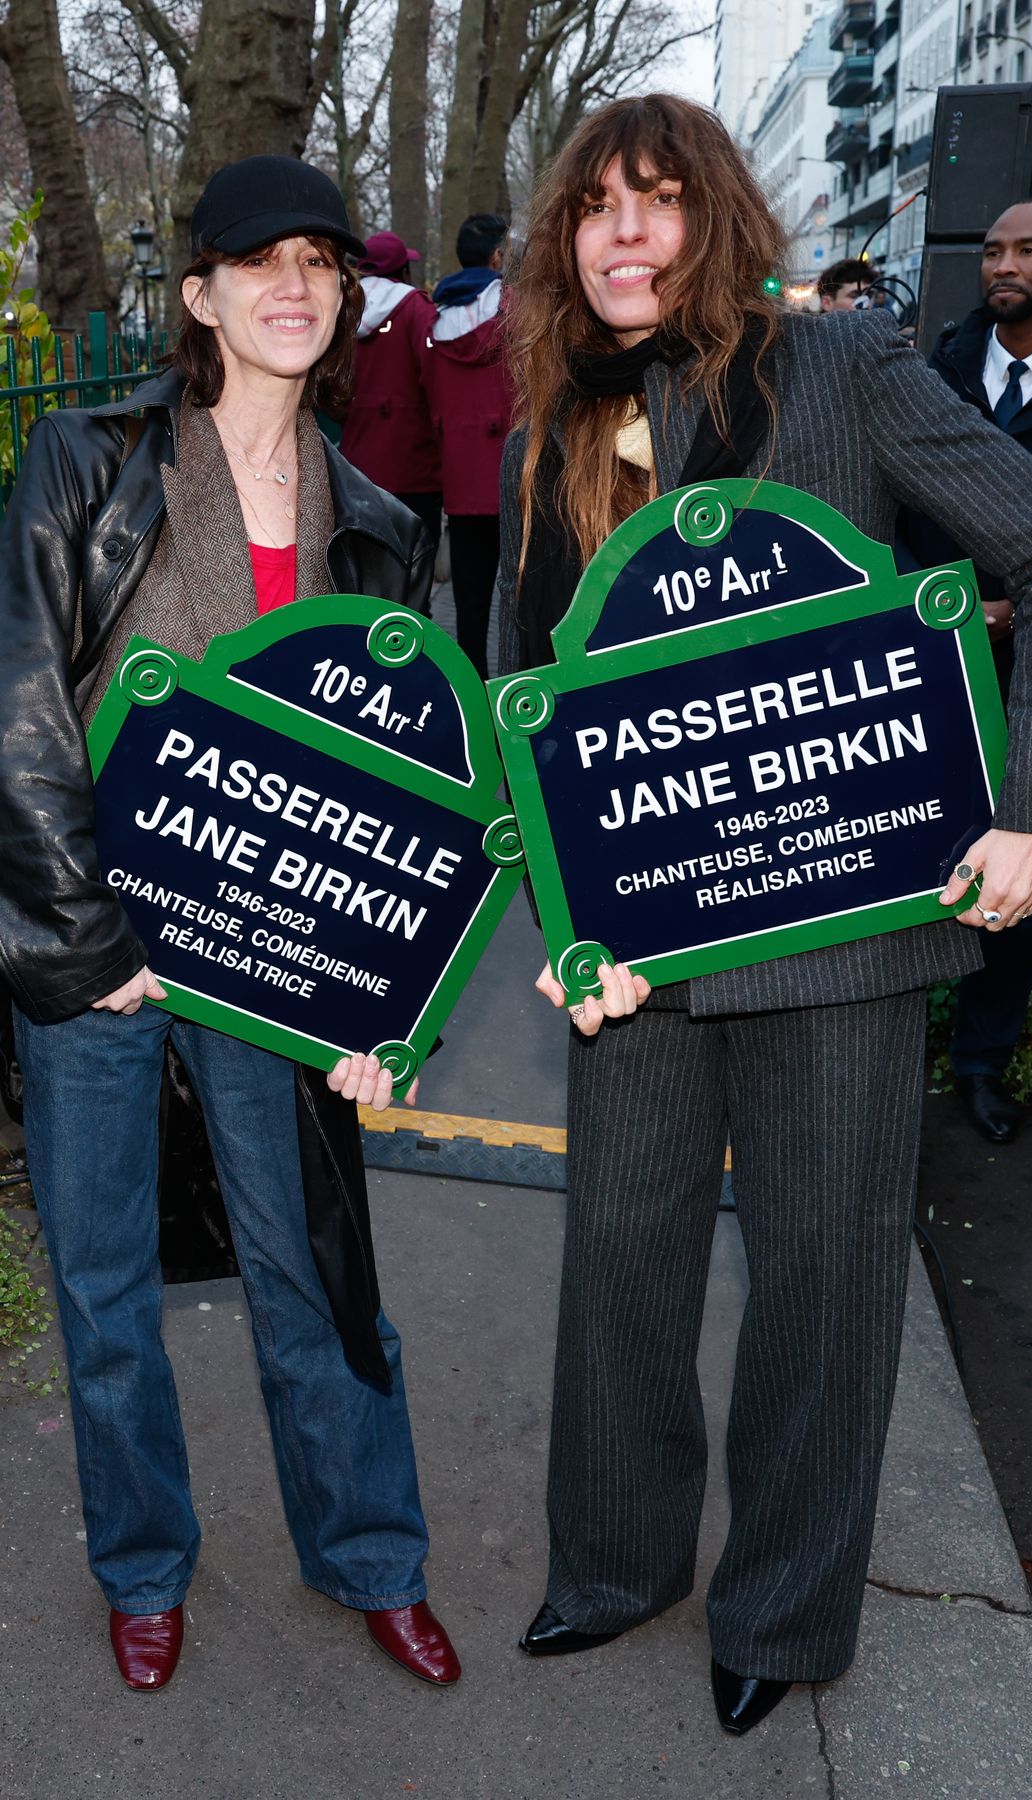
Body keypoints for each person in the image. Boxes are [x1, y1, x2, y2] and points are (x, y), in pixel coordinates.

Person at [498, 94, 1032, 1736]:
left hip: (844, 932)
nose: (625, 234)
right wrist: (559, 918)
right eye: (598, 205)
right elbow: (524, 694)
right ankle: (615, 1566)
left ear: (715, 219)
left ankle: (784, 1612)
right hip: (645, 948)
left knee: (824, 1287)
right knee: (616, 1259)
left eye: (659, 203)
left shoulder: (841, 368)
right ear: (566, 234)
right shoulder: (543, 421)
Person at [0, 155, 460, 1694]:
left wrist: (389, 1001)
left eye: (321, 262)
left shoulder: (382, 517)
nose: (294, 283)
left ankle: (372, 1555)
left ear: (344, 302)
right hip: (103, 960)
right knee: (107, 1283)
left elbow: (404, 791)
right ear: (196, 294)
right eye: (257, 260)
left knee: (313, 1267)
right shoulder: (87, 460)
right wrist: (90, 939)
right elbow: (18, 712)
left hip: (284, 967)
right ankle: (142, 1565)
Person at [901, 197, 1032, 1144]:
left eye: (1029, 249)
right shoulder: (931, 373)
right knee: (902, 860)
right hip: (928, 672)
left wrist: (1023, 608)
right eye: (994, 250)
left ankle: (980, 1064)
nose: (1004, 264)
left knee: (1019, 891)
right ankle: (897, 1051)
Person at [429, 213, 513, 676]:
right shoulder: (518, 309)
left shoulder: (433, 318)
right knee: (521, 598)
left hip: (461, 478)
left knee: (469, 599)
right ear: (497, 256)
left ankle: (471, 691)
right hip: (514, 472)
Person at [339, 229, 442, 555]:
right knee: (415, 570)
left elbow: (327, 388)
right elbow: (434, 379)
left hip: (356, 465)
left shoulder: (342, 313)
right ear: (402, 270)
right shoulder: (417, 309)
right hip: (414, 466)